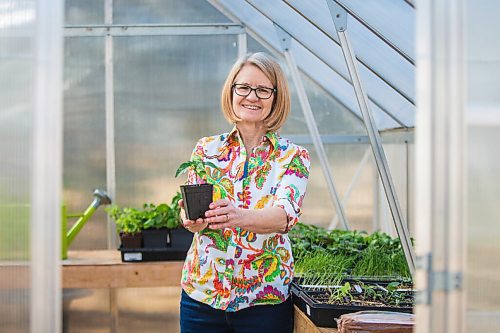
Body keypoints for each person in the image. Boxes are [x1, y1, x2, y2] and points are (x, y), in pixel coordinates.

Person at [178, 52, 310, 333]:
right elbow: (194, 216)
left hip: (263, 301)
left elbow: (284, 216)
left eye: (263, 89)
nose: (252, 96)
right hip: (203, 295)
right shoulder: (206, 149)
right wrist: (191, 220)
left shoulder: (292, 157)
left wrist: (237, 216)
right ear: (232, 91)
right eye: (244, 87)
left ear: (276, 97)